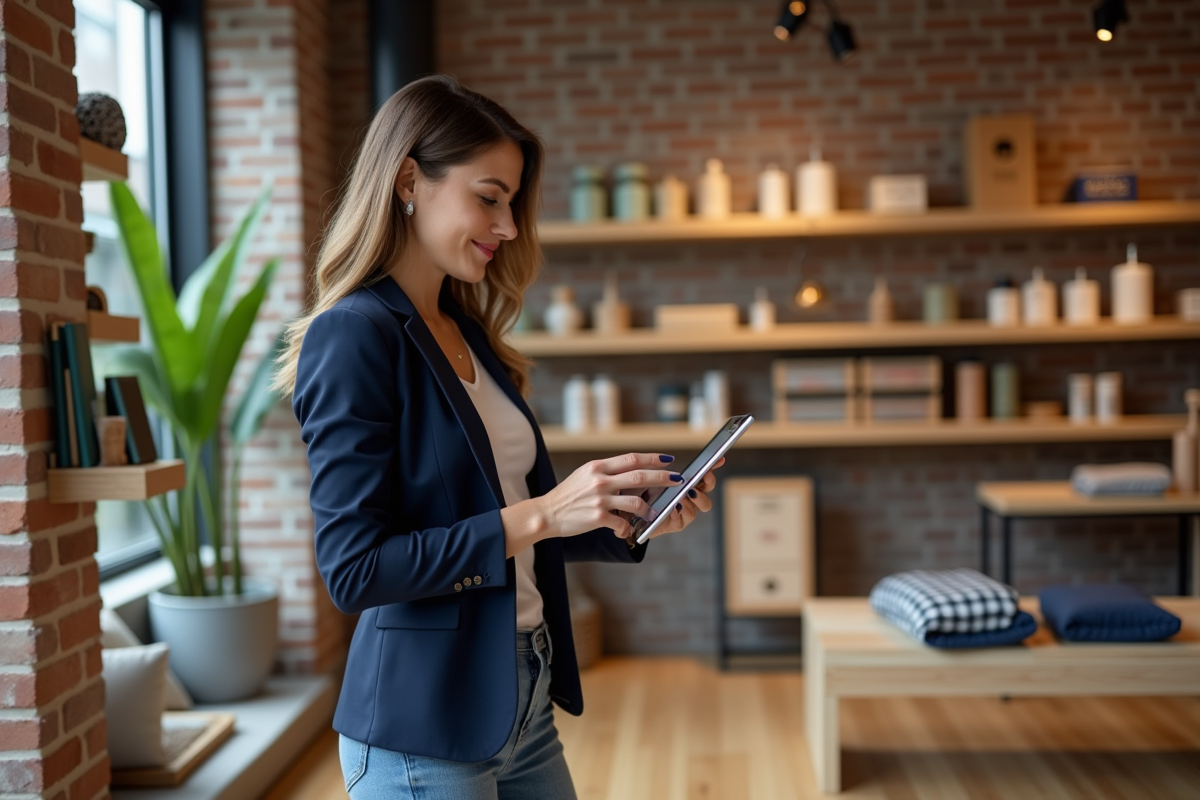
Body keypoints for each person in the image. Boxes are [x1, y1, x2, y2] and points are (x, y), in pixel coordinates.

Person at [275, 75, 722, 800]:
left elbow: (508, 517)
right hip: (422, 728)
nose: (508, 226)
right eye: (489, 197)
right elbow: (356, 571)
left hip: (522, 695)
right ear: (408, 180)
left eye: (511, 203)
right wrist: (548, 509)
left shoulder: (468, 332)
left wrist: (624, 516)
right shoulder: (353, 336)